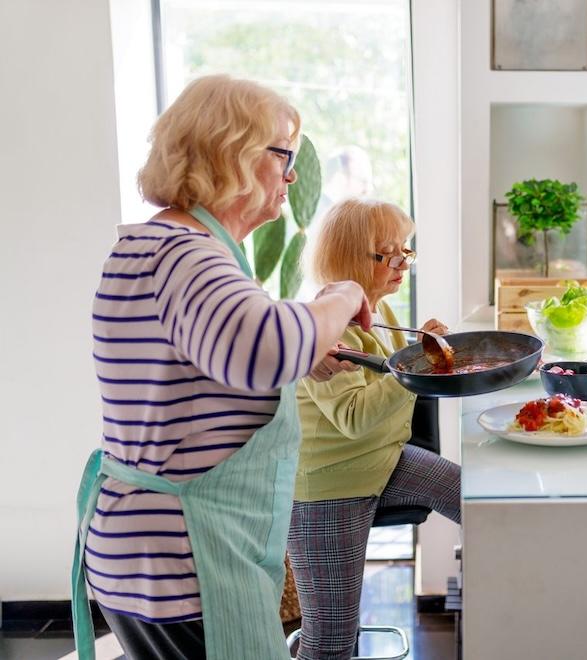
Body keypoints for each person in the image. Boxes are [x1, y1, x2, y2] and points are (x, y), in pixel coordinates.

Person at [71, 74, 373, 660]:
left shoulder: (155, 246)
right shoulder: (186, 255)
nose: (291, 175)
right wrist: (339, 295)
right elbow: (265, 348)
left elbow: (203, 370)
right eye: (283, 154)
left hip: (143, 557)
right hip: (186, 565)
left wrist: (307, 358)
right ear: (232, 153)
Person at [287, 198, 462, 660]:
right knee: (330, 640)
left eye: (407, 251)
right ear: (350, 259)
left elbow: (393, 385)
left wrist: (421, 351)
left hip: (383, 461)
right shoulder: (327, 328)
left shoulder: (381, 317)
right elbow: (354, 418)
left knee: (473, 499)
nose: (403, 263)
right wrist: (415, 367)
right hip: (330, 486)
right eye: (390, 254)